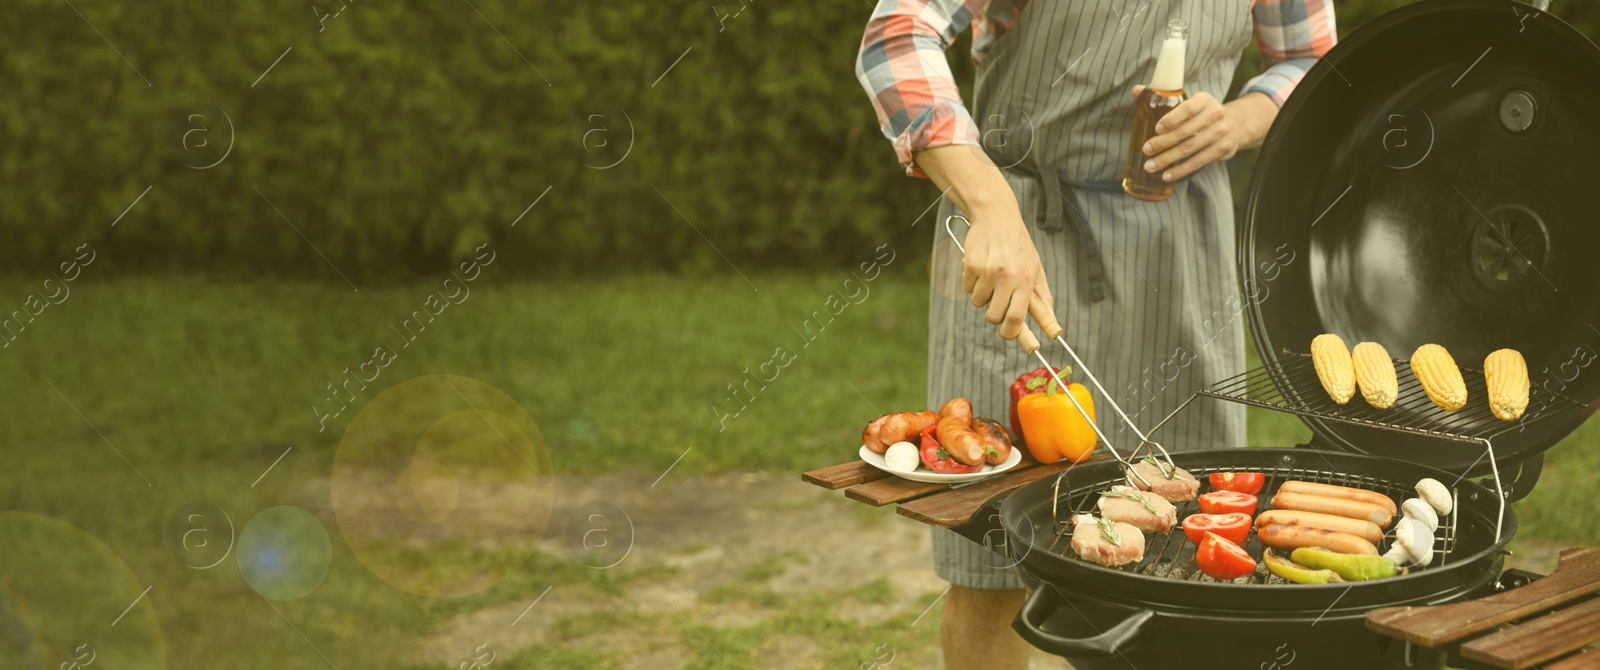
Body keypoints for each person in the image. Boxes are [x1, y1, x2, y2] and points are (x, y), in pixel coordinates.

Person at [855, 1, 1337, 667]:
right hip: (1018, 238)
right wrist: (990, 205)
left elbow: (1310, 60)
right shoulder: (1000, 219)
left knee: (1185, 559)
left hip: (1179, 254)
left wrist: (1235, 122)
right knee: (992, 567)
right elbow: (896, 37)